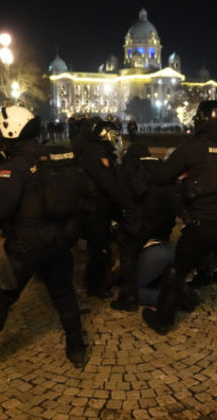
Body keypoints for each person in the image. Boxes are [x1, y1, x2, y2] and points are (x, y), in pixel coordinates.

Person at [0, 106, 87, 370]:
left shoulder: (16, 165)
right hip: (57, 239)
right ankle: (76, 348)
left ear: (12, 130)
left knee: (0, 298)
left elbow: (0, 210)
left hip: (27, 244)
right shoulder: (49, 155)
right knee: (64, 294)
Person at [141, 100, 217, 352]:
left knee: (178, 272)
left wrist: (185, 182)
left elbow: (162, 176)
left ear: (201, 119)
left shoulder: (193, 146)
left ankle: (164, 320)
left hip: (201, 224)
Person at [110, 143, 176, 311]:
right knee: (159, 248)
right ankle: (164, 283)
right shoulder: (161, 165)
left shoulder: (129, 166)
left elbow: (121, 195)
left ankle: (130, 297)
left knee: (128, 254)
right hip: (164, 219)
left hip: (141, 220)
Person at [73, 117, 132, 298]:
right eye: (112, 135)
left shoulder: (100, 152)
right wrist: (127, 204)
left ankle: (100, 280)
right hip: (92, 209)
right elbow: (108, 184)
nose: (115, 140)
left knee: (101, 246)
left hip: (99, 206)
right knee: (101, 248)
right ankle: (93, 285)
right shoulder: (95, 154)